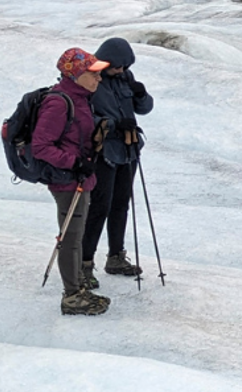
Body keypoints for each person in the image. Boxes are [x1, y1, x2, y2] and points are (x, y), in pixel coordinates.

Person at [30, 47, 109, 316]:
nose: (99, 78)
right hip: (66, 180)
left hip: (78, 177)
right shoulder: (59, 102)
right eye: (93, 73)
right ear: (75, 75)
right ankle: (72, 296)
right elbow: (40, 146)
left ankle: (77, 288)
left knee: (75, 235)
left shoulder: (81, 98)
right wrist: (75, 163)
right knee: (71, 238)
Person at [81, 37, 152, 283]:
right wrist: (113, 124)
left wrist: (141, 95)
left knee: (121, 203)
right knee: (99, 206)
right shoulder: (90, 79)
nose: (121, 70)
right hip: (103, 151)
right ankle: (84, 264)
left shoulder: (125, 78)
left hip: (128, 149)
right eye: (117, 66)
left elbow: (144, 108)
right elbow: (85, 117)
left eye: (124, 66)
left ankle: (115, 256)